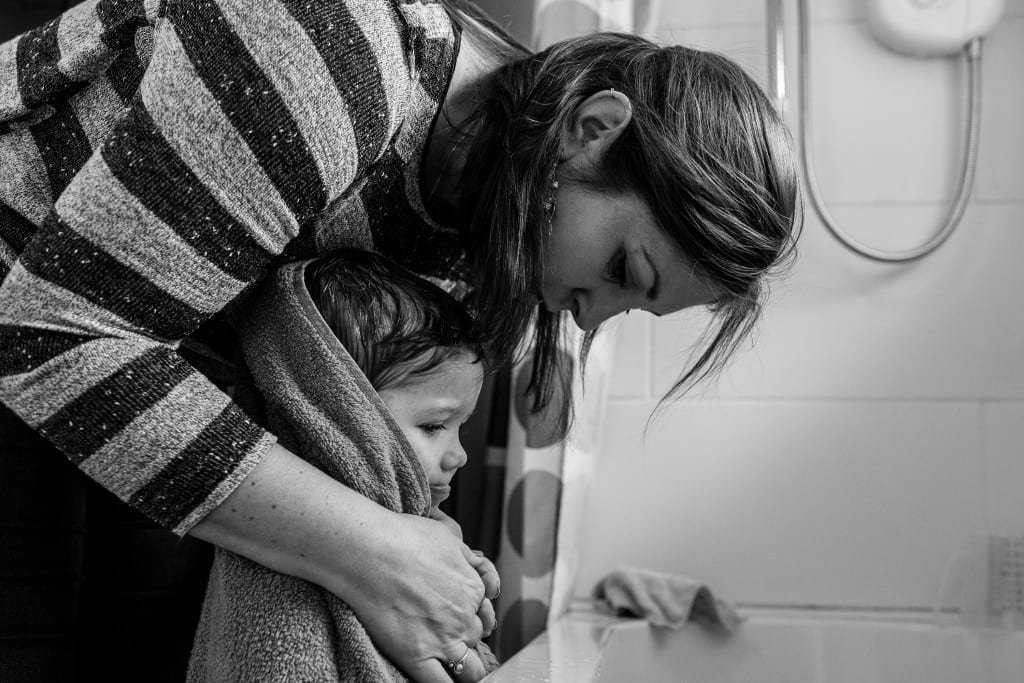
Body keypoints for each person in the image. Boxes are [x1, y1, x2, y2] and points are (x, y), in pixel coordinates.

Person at [0, 0, 800, 679]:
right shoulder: (329, 58)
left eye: (630, 309)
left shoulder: (480, 245)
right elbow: (49, 336)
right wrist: (376, 553)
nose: (589, 321)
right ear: (594, 130)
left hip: (152, 395)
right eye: (625, 269)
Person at [188, 250, 498, 680]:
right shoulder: (285, 561)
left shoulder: (414, 516)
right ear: (343, 409)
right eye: (433, 426)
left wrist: (458, 566)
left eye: (460, 427)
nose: (458, 455)